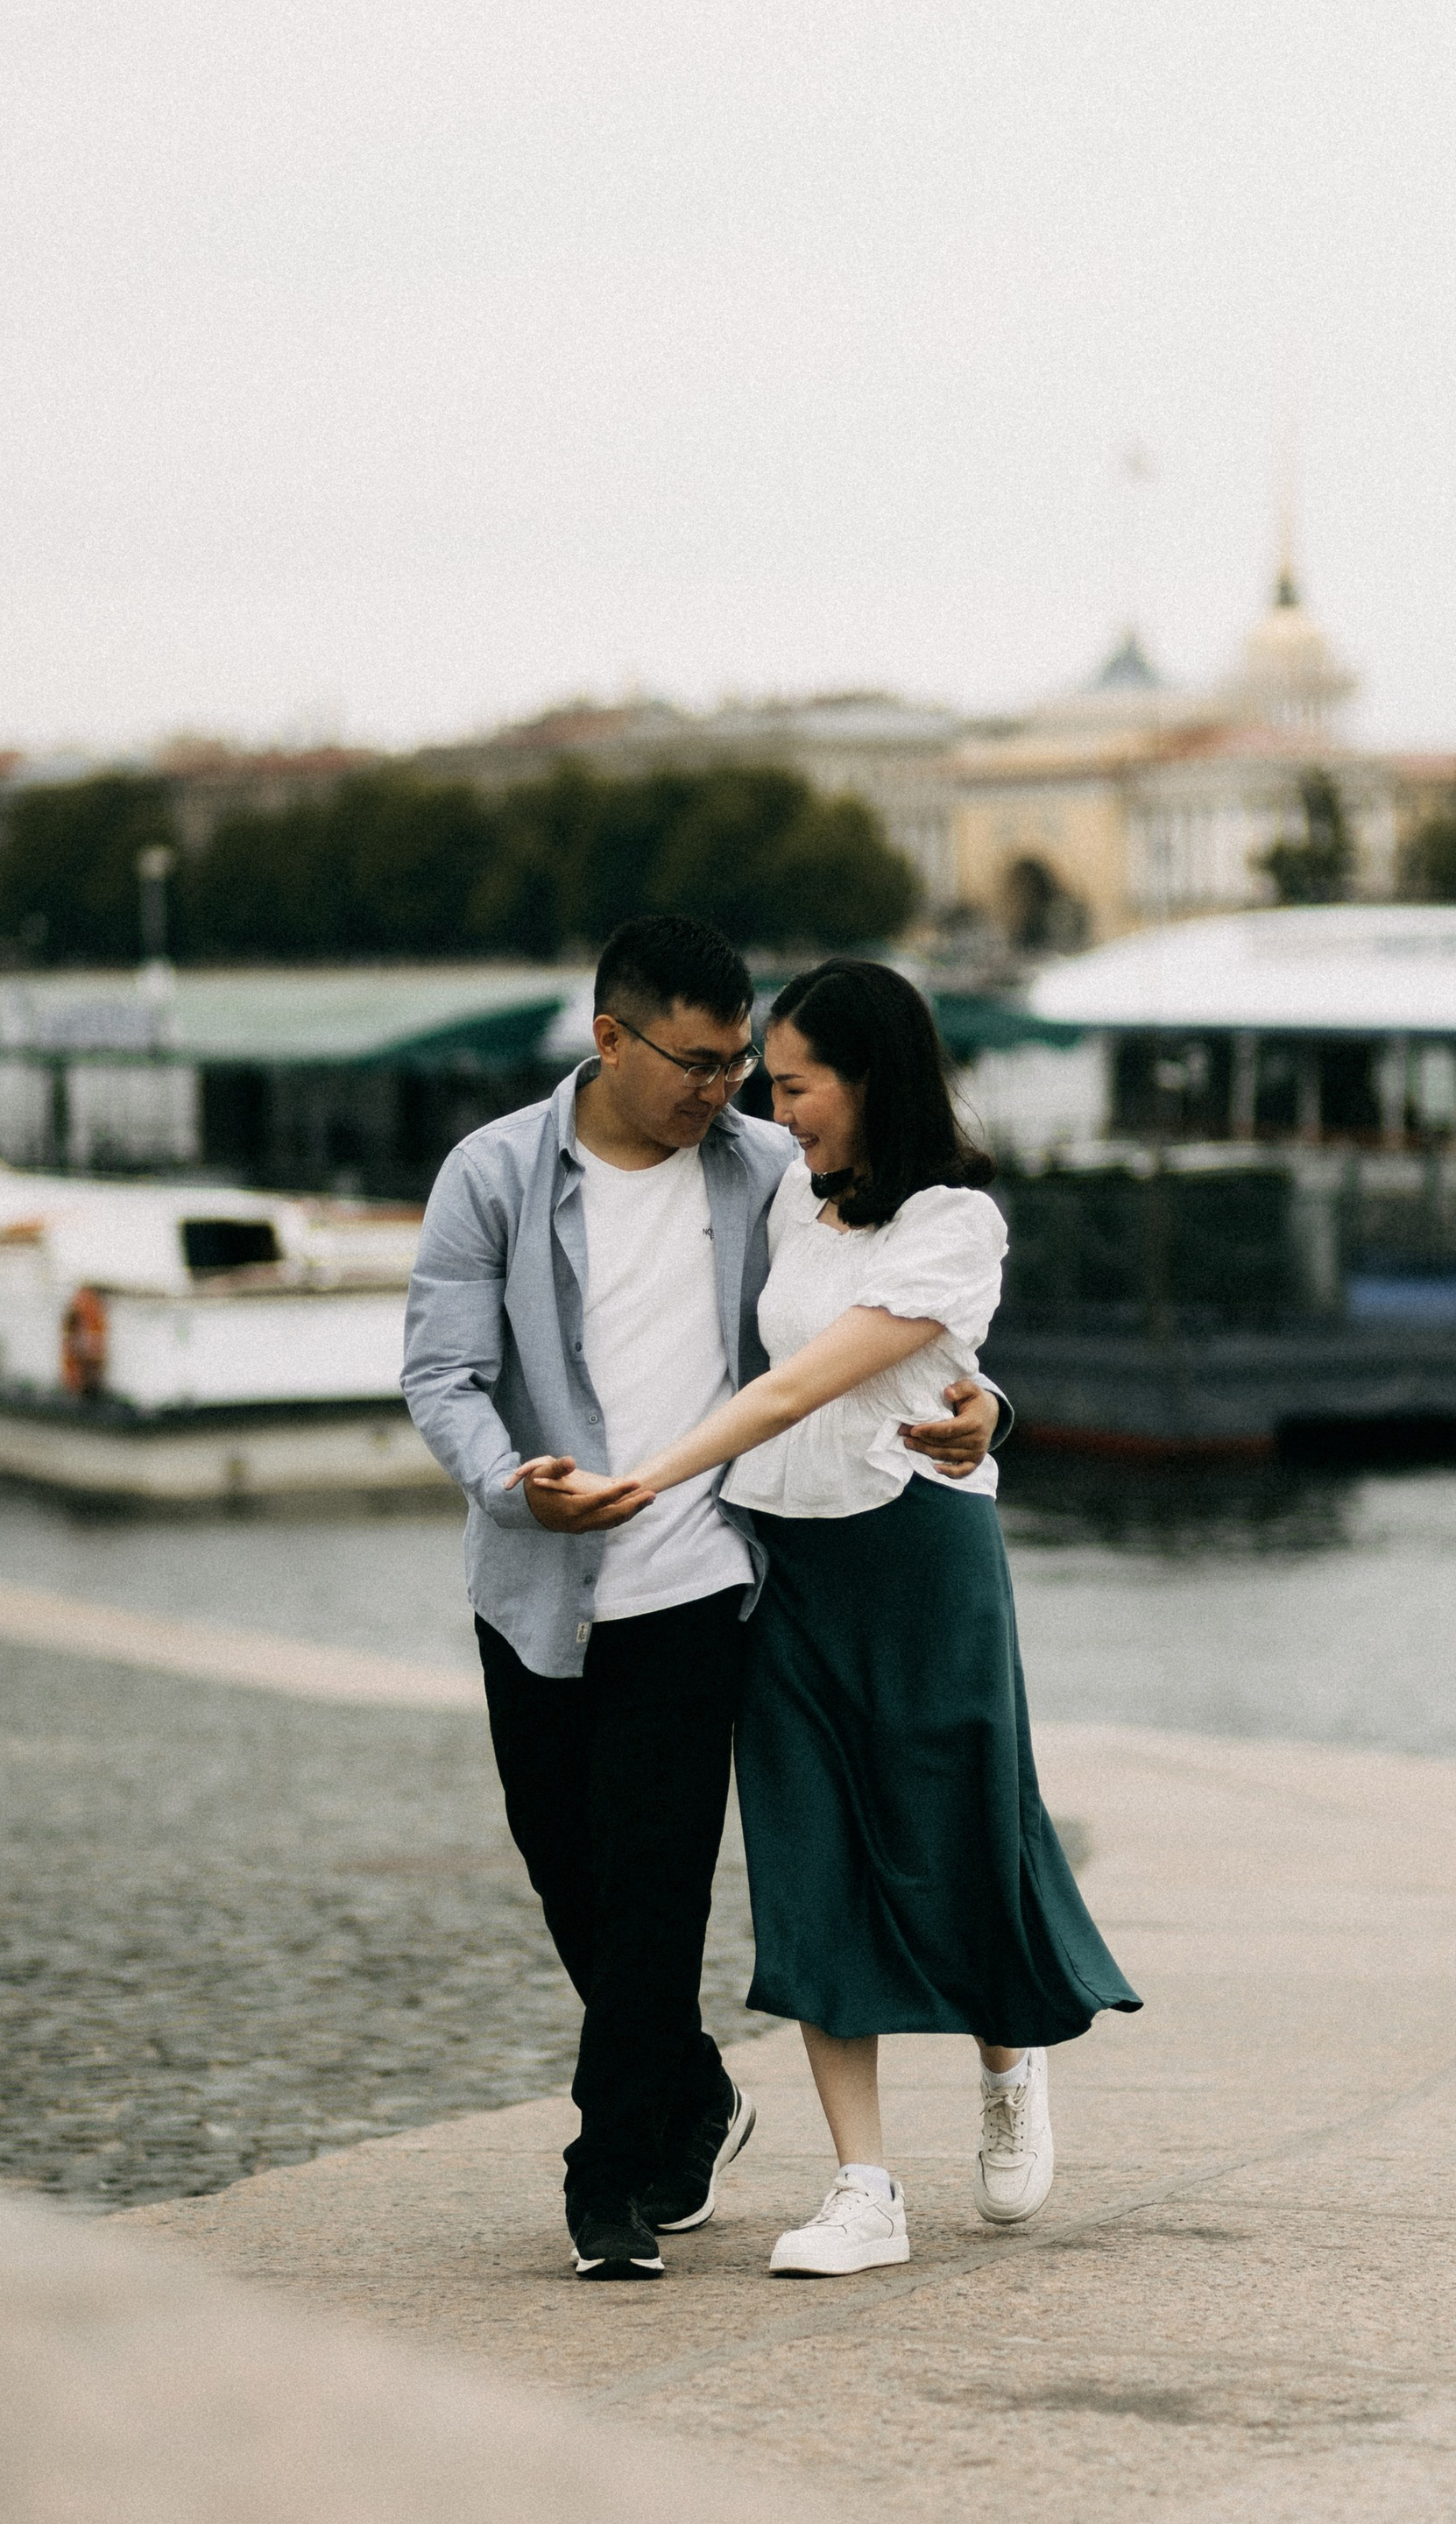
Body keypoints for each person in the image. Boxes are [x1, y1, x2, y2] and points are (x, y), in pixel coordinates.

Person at [401, 915, 1002, 2285]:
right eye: (696, 1062)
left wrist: (986, 1408)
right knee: (569, 1872)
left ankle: (609, 2183)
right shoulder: (491, 1176)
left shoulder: (767, 1170)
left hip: (707, 1581)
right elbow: (440, 1375)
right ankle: (690, 2095)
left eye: (742, 1064)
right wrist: (511, 1483)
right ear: (609, 1038)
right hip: (537, 1583)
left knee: (658, 1887)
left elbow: (889, 1315)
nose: (723, 1091)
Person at [518, 956, 1138, 2280]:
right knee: (805, 1860)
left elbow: (804, 1385)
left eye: (795, 1085)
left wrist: (651, 1478)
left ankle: (1008, 2059)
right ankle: (865, 2188)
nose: (771, 1107)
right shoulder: (793, 1192)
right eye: (767, 1083)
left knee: (957, 1826)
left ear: (872, 1081)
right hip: (786, 1568)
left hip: (917, 1557)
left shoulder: (956, 1223)